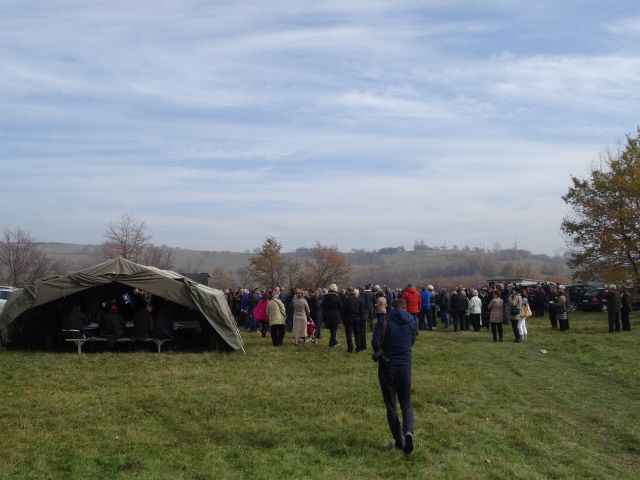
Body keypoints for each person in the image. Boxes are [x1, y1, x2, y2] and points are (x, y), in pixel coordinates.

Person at [371, 299, 417, 454]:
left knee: (391, 406)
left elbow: (375, 343)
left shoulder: (384, 320)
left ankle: (398, 441)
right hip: (404, 366)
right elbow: (412, 341)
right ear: (405, 308)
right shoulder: (411, 321)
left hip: (387, 366)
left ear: (392, 307)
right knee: (406, 403)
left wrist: (382, 354)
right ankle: (408, 431)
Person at [322, 284, 343, 348]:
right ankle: (332, 343)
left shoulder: (325, 297)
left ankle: (334, 341)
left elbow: (323, 305)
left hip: (327, 315)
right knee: (334, 330)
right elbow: (340, 306)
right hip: (335, 315)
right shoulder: (337, 297)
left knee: (332, 330)